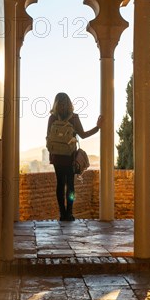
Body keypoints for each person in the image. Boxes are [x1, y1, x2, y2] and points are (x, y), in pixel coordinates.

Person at [47, 92, 102, 221]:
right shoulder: (74, 117)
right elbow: (83, 135)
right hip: (69, 156)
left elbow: (48, 137)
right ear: (70, 103)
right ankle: (69, 214)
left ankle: (62, 213)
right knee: (70, 185)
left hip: (56, 156)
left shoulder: (52, 118)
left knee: (60, 184)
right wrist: (97, 127)